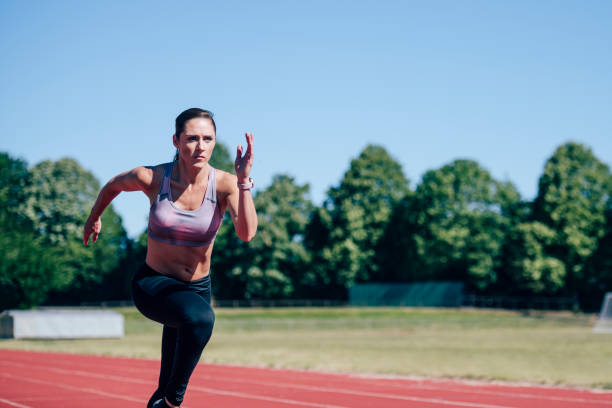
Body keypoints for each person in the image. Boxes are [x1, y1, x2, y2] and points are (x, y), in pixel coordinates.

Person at [83, 108, 258, 408]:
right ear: (176, 141)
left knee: (164, 382)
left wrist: (244, 182)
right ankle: (173, 402)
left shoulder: (226, 184)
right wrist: (94, 217)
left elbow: (246, 234)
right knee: (201, 320)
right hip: (154, 284)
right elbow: (113, 185)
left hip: (196, 290)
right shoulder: (153, 178)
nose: (200, 146)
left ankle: (162, 400)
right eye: (191, 138)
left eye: (207, 138)